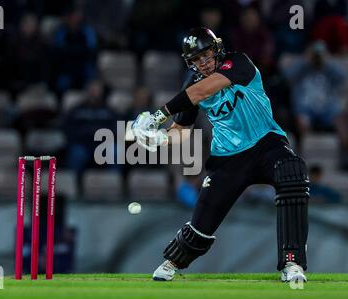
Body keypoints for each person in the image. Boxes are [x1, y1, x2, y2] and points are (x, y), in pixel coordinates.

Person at [131, 27, 309, 283]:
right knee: (202, 224)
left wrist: (157, 116)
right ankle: (172, 262)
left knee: (292, 173)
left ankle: (292, 264)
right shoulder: (190, 85)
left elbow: (202, 92)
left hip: (266, 143)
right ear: (190, 63)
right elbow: (180, 132)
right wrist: (158, 139)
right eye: (196, 59)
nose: (203, 63)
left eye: (206, 55)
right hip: (228, 158)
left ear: (217, 50)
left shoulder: (238, 62)